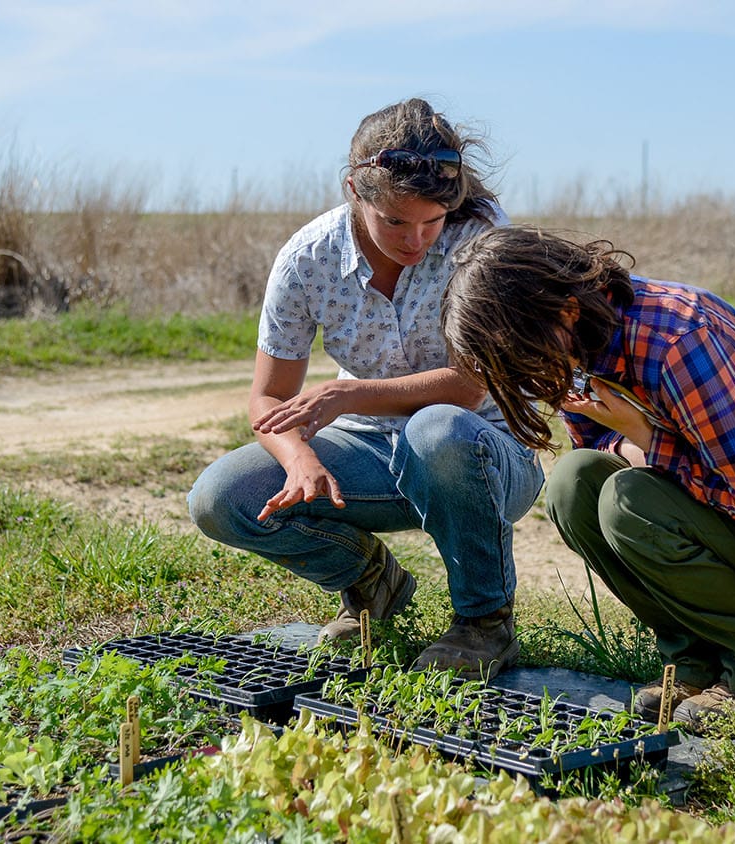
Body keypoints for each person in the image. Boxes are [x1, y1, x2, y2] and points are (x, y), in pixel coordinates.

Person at [440, 225, 735, 731]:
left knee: (628, 501)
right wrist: (633, 443)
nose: (527, 375)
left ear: (565, 309)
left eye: (521, 354)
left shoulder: (678, 343)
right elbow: (599, 461)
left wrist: (647, 441)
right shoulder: (582, 346)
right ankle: (696, 662)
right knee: (574, 483)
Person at [187, 99, 544, 680]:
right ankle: (372, 584)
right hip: (372, 453)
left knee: (438, 428)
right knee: (220, 498)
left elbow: (466, 386)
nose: (417, 239)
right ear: (356, 189)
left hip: (483, 455)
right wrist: (299, 456)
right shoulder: (307, 259)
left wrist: (346, 395)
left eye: (432, 221)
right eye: (397, 222)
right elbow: (269, 399)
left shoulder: (480, 239)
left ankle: (484, 625)